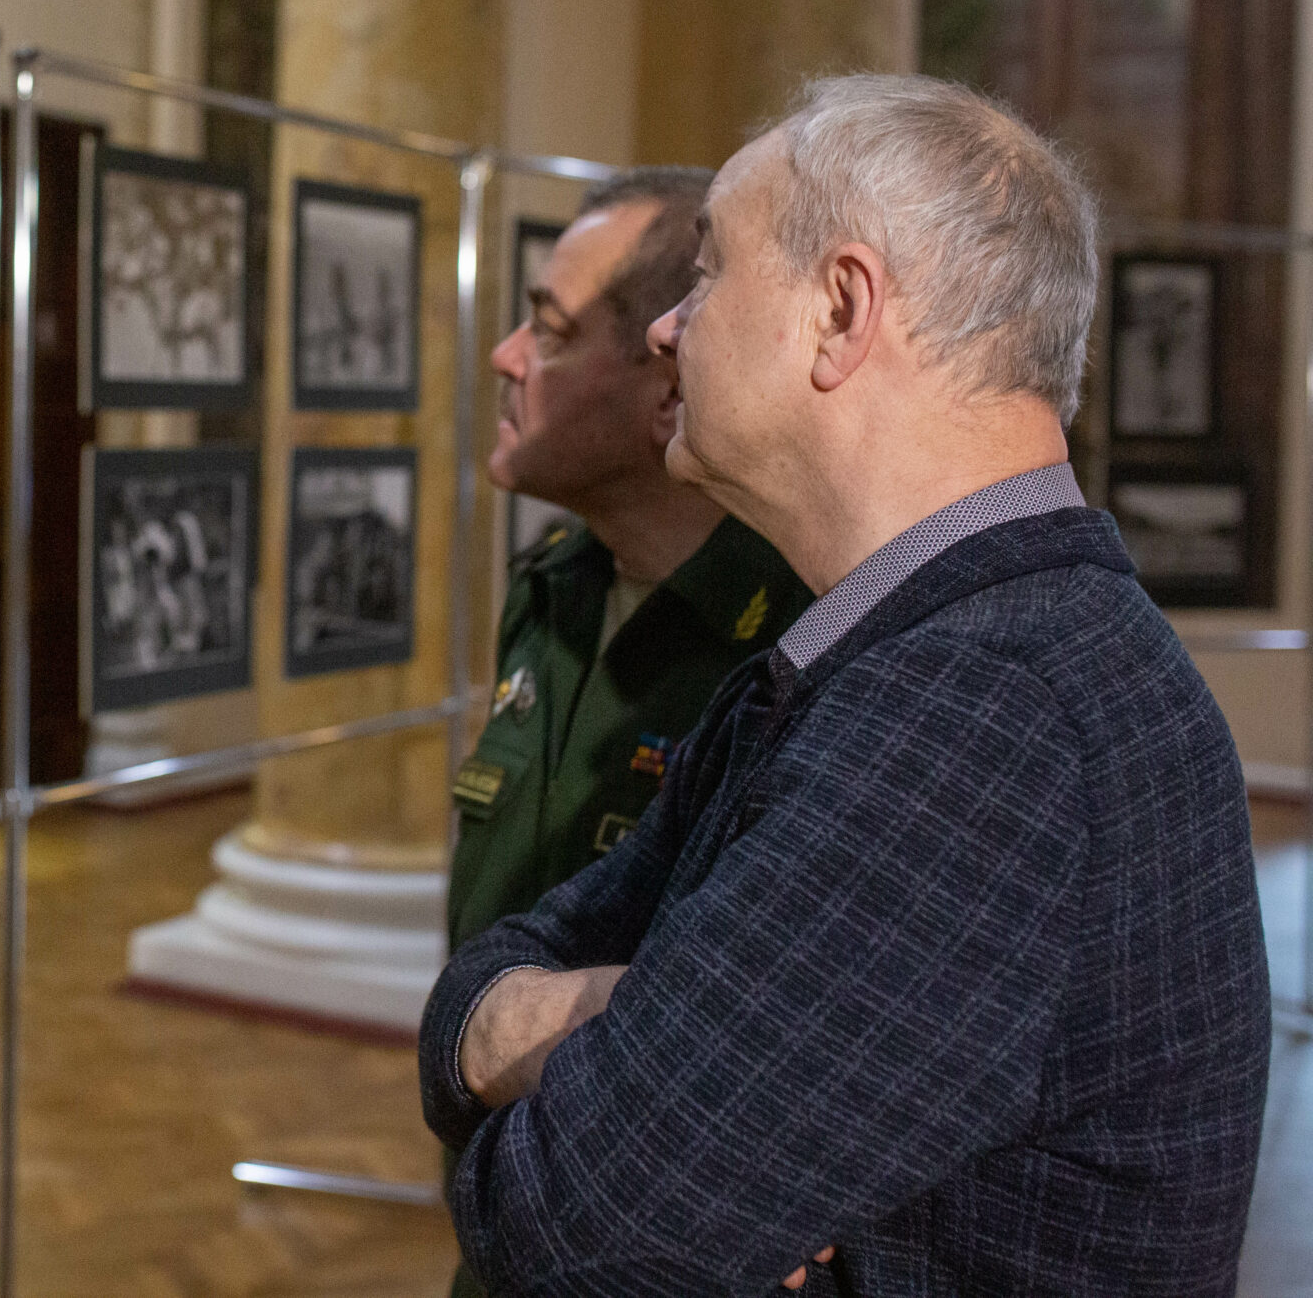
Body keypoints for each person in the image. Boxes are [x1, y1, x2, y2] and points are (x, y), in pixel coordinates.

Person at [420, 76, 1270, 1294]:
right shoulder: (910, 654)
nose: (669, 327)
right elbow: (490, 975)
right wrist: (567, 1022)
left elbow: (577, 1236)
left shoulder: (983, 718)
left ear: (838, 310)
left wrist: (525, 1031)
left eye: (709, 273)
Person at [453, 169, 808, 951]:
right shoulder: (552, 588)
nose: (505, 356)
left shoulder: (791, 636)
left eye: (549, 331)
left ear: (670, 394)